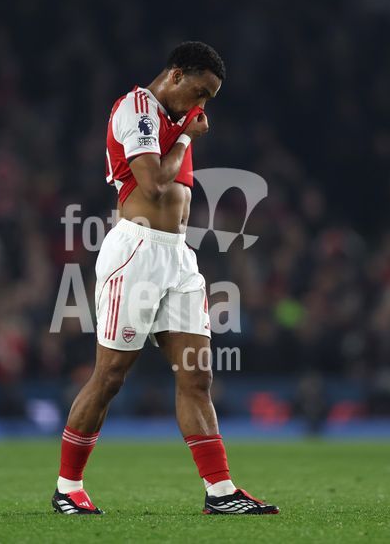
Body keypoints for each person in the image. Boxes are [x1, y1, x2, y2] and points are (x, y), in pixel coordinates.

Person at [52, 41, 279, 515]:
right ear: (176, 75)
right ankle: (68, 488)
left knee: (198, 376)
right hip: (135, 252)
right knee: (110, 376)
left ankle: (220, 491)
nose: (202, 105)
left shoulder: (177, 119)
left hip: (177, 256)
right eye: (200, 91)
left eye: (209, 98)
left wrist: (183, 131)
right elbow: (154, 184)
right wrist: (187, 139)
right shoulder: (137, 108)